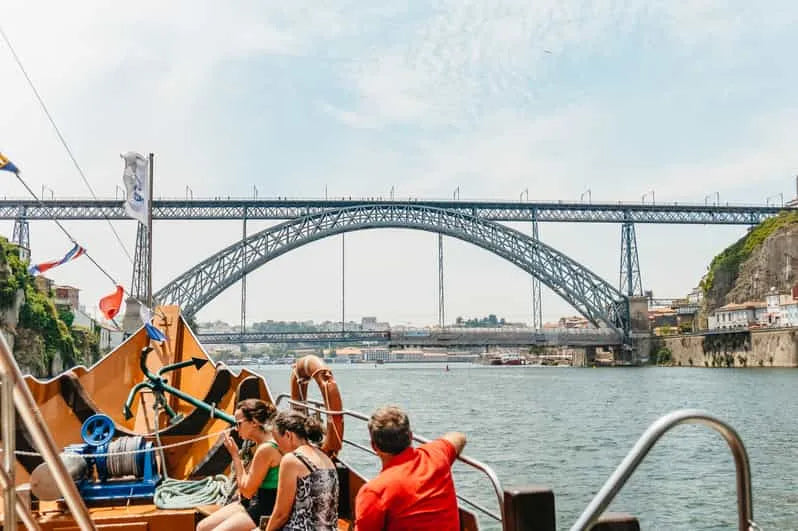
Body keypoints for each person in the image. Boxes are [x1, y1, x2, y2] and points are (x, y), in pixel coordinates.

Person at [354, 405, 466, 531]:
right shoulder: (436, 455)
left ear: (374, 446)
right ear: (411, 437)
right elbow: (459, 437)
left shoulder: (375, 491)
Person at [197, 399, 282, 531]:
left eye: (239, 424)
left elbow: (247, 491)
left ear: (254, 422)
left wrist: (235, 456)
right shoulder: (261, 443)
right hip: (254, 501)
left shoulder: (266, 449)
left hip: (266, 508)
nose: (236, 429)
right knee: (202, 527)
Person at [265, 410, 339, 531]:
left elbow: (281, 515)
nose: (278, 447)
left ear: (289, 435)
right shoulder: (325, 457)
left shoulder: (291, 460)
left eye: (278, 441)